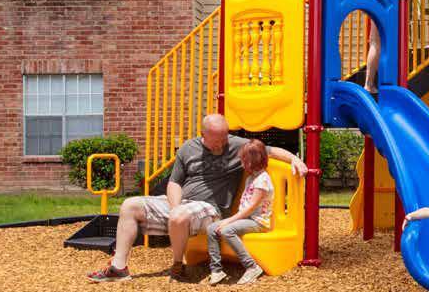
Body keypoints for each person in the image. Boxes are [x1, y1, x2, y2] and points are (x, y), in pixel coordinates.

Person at [86, 114, 307, 283]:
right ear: (203, 135)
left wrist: (294, 160)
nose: (222, 145)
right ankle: (119, 267)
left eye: (224, 139)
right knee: (129, 205)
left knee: (180, 215)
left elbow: (268, 150)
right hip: (183, 204)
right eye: (216, 141)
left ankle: (177, 265)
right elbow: (174, 183)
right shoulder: (188, 149)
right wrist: (173, 206)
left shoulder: (235, 145)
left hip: (210, 210)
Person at [207, 140, 280, 286]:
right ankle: (216, 270)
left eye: (244, 160)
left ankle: (252, 267)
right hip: (247, 218)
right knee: (211, 228)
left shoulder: (262, 181)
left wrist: (229, 220)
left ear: (253, 161)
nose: (241, 163)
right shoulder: (251, 178)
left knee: (227, 230)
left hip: (258, 222)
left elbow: (251, 208)